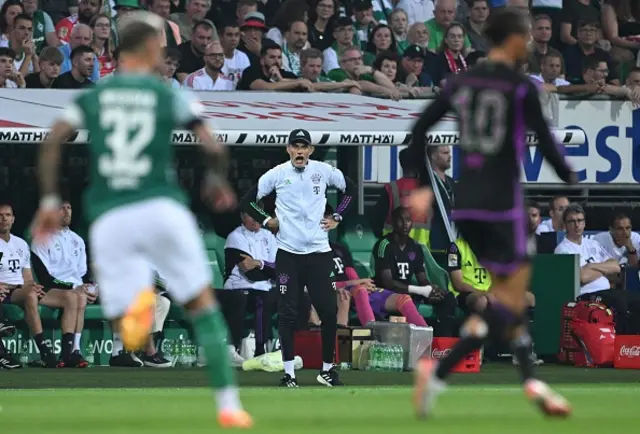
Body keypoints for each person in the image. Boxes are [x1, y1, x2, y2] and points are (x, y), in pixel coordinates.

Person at [30, 12, 252, 428]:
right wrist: (216, 179)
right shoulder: (167, 94)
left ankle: (136, 312)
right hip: (160, 206)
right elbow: (211, 141)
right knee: (203, 305)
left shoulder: (94, 96)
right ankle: (229, 406)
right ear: (150, 50)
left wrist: (48, 199)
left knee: (130, 325)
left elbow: (51, 140)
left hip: (111, 216)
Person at [406, 8, 576, 418]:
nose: (532, 42)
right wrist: (571, 179)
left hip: (467, 205)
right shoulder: (520, 88)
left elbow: (417, 133)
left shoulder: (462, 82)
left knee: (504, 302)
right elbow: (550, 148)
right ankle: (520, 380)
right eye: (526, 36)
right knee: (511, 301)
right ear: (513, 39)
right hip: (502, 206)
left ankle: (528, 383)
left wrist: (422, 190)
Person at [240, 128, 356, 388]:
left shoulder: (323, 171)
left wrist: (337, 216)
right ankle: (289, 374)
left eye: (304, 147)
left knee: (328, 311)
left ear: (311, 150)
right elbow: (248, 201)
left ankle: (327, 371)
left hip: (319, 252)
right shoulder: (277, 174)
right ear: (288, 149)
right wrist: (266, 219)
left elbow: (351, 190)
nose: (300, 151)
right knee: (288, 313)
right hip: (288, 255)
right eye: (295, 146)